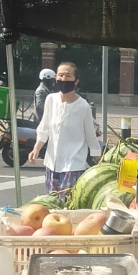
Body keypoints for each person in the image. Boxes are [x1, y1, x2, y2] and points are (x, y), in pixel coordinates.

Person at [29, 61, 101, 192]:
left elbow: (90, 135)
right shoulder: (50, 99)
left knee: (67, 206)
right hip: (52, 163)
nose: (63, 79)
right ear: (55, 78)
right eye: (60, 75)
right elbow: (44, 127)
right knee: (52, 203)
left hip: (73, 165)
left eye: (68, 76)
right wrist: (36, 149)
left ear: (76, 81)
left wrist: (98, 158)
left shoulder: (83, 106)